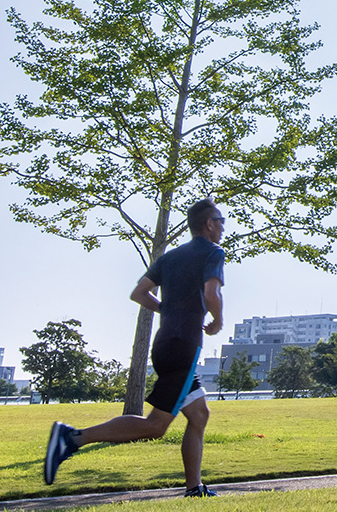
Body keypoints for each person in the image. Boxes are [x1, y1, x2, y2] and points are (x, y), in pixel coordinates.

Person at [43, 198, 227, 496]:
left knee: (199, 414)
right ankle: (72, 438)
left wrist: (167, 310)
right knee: (156, 426)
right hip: (184, 345)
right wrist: (217, 320)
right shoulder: (213, 252)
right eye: (220, 221)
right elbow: (211, 291)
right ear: (209, 224)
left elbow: (139, 293)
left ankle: (194, 488)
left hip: (166, 342)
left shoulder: (170, 257)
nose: (222, 228)